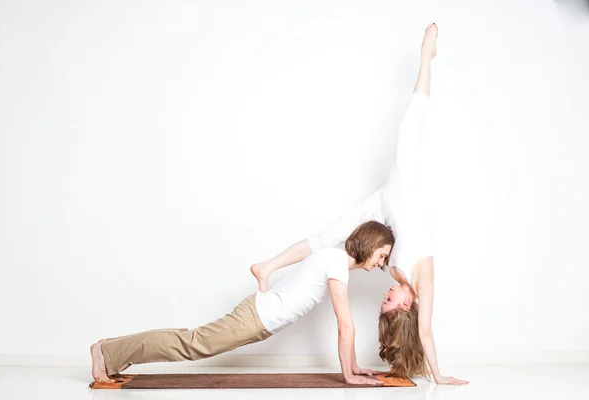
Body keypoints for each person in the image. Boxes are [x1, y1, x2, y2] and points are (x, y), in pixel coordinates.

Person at [250, 23, 468, 385]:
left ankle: (267, 266)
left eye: (382, 299)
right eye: (389, 300)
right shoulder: (424, 283)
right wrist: (439, 375)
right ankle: (426, 56)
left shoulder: (398, 278)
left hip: (382, 208)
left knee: (330, 237)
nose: (385, 294)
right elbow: (425, 332)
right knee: (407, 126)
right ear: (405, 305)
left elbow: (371, 259)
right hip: (404, 190)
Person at [91, 221, 393, 386]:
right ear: (369, 244)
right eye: (382, 255)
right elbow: (345, 324)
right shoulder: (337, 262)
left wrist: (354, 368)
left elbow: (345, 324)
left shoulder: (333, 259)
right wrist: (349, 374)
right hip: (254, 318)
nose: (381, 263)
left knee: (190, 341)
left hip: (256, 318)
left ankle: (113, 352)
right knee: (191, 344)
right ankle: (106, 351)